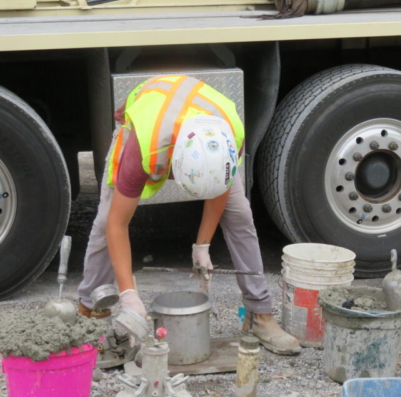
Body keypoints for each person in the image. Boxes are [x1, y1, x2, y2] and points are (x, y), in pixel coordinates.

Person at [77, 74, 301, 356]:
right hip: (150, 119)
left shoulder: (229, 139)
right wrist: (128, 295)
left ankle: (260, 314)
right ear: (175, 165)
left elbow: (218, 189)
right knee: (103, 223)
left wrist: (202, 245)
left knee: (241, 214)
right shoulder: (145, 147)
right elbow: (117, 225)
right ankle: (87, 312)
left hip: (198, 123)